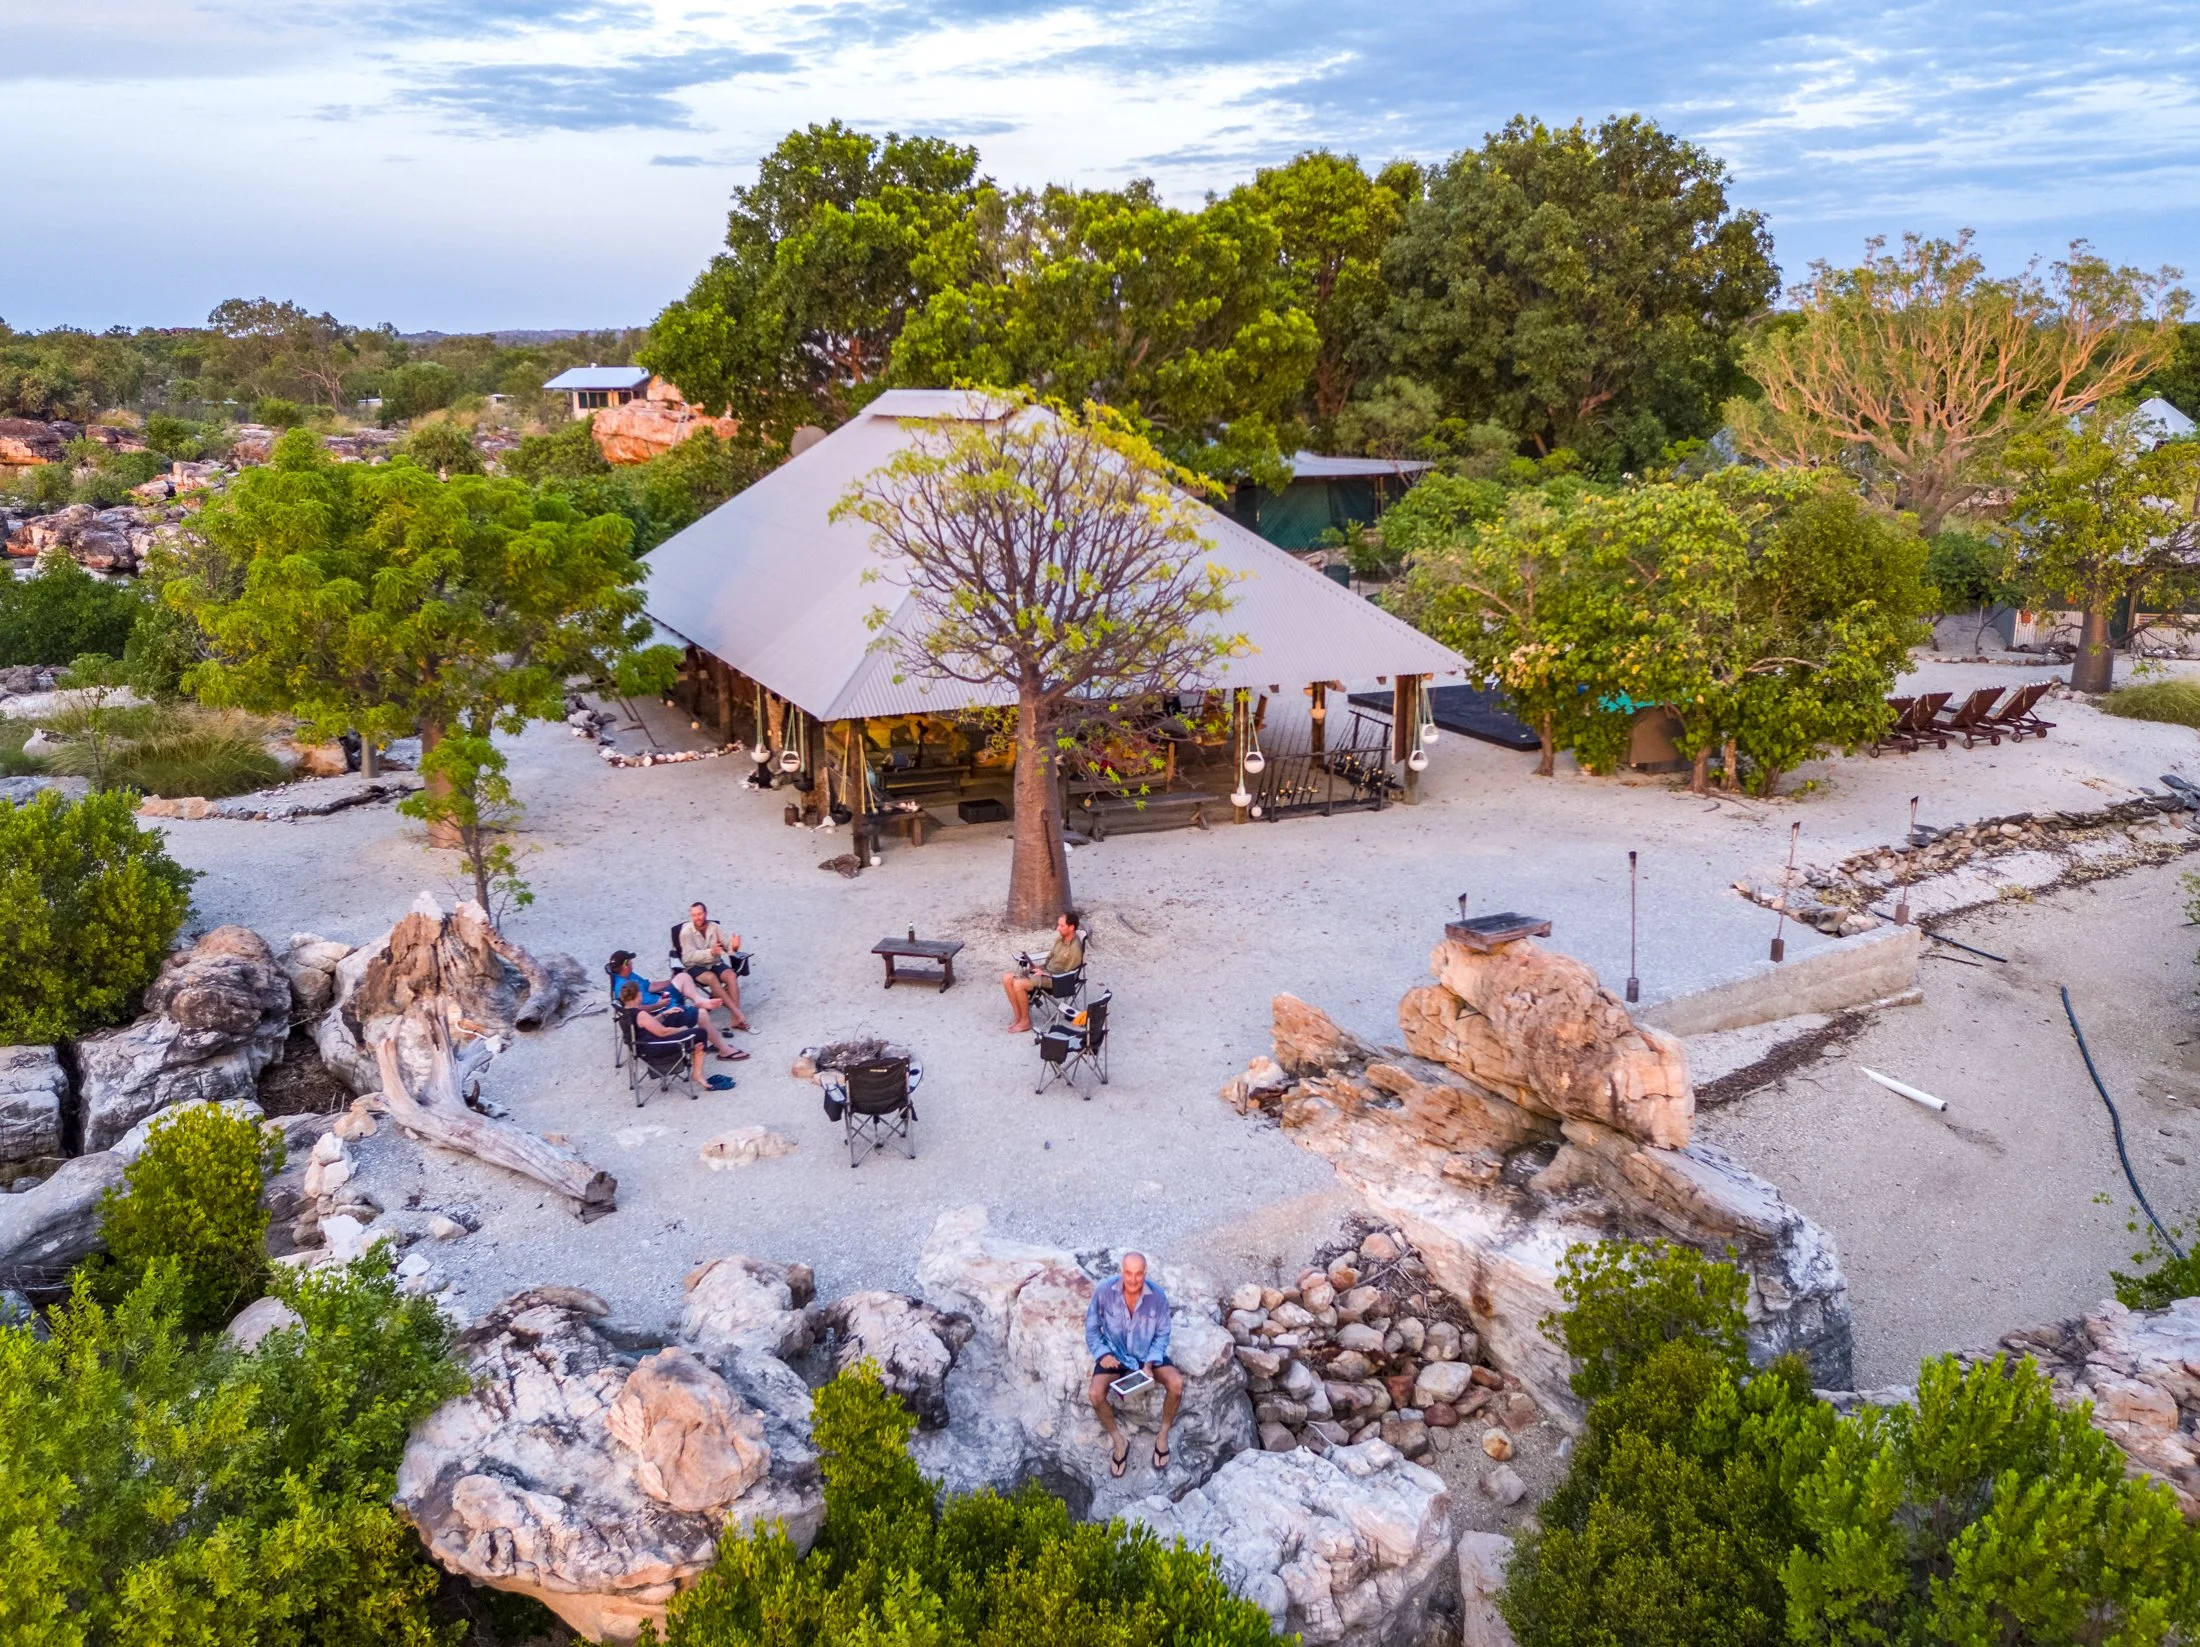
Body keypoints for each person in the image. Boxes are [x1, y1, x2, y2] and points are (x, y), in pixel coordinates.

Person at [1084, 1252, 1182, 1476]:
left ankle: (1163, 1434)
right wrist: (1102, 1354)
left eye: (1138, 1274)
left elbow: (1163, 1334)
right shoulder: (1104, 1292)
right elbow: (1091, 1328)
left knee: (1176, 1384)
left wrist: (1149, 1363)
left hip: (1145, 1355)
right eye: (1128, 1273)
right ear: (1122, 1271)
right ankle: (1120, 1442)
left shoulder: (1158, 1297)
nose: (1133, 1279)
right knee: (1095, 1394)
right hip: (1115, 1355)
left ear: (1145, 1273)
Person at [608, 951, 746, 1061]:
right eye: (630, 961)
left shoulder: (630, 975)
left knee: (683, 977)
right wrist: (658, 1006)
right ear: (625, 965)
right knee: (702, 1014)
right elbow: (634, 1011)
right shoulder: (622, 987)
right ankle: (724, 1050)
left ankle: (699, 999)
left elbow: (650, 986)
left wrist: (671, 980)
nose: (632, 962)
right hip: (660, 1012)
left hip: (662, 1000)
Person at [1002, 909, 1083, 1034]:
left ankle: (1025, 1021)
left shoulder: (1075, 949)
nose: (1058, 928)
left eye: (1062, 926)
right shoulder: (1060, 940)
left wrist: (1045, 974)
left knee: (1019, 984)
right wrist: (1039, 968)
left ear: (1071, 927)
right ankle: (1018, 1016)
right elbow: (1050, 959)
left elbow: (1067, 975)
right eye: (1058, 925)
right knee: (1007, 978)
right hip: (1045, 972)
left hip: (1056, 981)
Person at [674, 902, 751, 1030]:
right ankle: (737, 1013)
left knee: (731, 975)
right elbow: (687, 958)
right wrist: (711, 952)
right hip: (695, 966)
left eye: (700, 914)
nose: (697, 917)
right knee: (711, 978)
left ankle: (735, 1020)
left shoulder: (714, 927)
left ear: (706, 913)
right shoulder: (686, 932)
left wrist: (735, 946)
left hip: (714, 962)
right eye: (694, 915)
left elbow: (727, 946)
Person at [617, 979, 708, 1085]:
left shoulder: (625, 1012)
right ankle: (697, 1074)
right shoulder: (640, 1014)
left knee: (674, 1018)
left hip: (642, 1048)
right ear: (638, 994)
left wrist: (664, 1014)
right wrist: (683, 1029)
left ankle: (695, 1058)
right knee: (700, 1033)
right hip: (656, 1048)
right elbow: (663, 1032)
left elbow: (647, 1024)